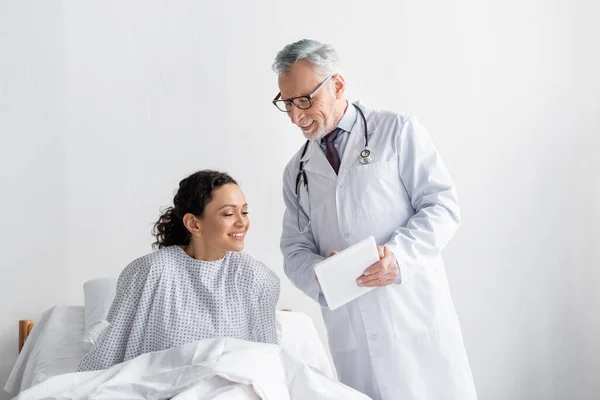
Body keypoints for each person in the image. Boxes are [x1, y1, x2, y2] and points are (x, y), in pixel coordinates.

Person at [273, 39, 477, 399]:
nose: (295, 115)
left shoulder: (398, 131)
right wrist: (319, 276)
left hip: (413, 314)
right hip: (352, 330)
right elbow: (295, 248)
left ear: (337, 85)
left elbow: (442, 206)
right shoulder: (297, 171)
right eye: (286, 103)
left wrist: (398, 257)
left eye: (305, 100)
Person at [78, 170, 280, 371]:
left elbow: (267, 361)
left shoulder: (258, 279)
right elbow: (111, 348)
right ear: (193, 224)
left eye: (244, 212)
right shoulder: (150, 272)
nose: (242, 222)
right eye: (229, 213)